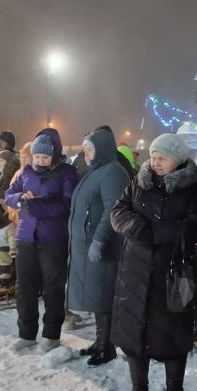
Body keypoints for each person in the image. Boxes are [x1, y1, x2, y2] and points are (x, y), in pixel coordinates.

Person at [110, 133, 197, 391]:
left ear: (177, 159)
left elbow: (196, 225)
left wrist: (157, 233)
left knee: (173, 336)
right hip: (135, 271)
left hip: (173, 272)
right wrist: (135, 226)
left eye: (161, 157)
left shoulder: (192, 190)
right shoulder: (138, 183)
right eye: (153, 157)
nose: (155, 162)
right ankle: (138, 390)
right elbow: (117, 212)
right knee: (135, 335)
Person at [5, 128, 78, 352]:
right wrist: (19, 198)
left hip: (53, 238)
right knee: (25, 287)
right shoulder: (26, 171)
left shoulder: (66, 173)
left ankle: (51, 334)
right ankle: (26, 334)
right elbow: (8, 194)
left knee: (52, 286)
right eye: (37, 156)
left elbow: (67, 204)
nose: (40, 161)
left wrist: (35, 204)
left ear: (55, 155)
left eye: (45, 157)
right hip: (26, 236)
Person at [66, 128, 130, 366]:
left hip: (103, 246)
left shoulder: (113, 172)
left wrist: (100, 239)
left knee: (103, 295)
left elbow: (113, 209)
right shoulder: (96, 171)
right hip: (86, 245)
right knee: (95, 295)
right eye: (84, 150)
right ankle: (100, 340)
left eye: (89, 149)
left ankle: (108, 346)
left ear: (101, 148)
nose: (85, 154)